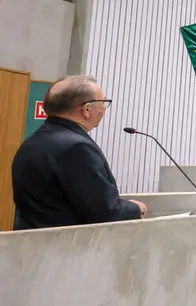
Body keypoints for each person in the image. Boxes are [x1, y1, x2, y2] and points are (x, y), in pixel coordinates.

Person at [11, 75, 145, 230]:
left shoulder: (32, 142)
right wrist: (135, 208)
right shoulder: (77, 148)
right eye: (104, 103)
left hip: (32, 244)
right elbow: (104, 213)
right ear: (87, 110)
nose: (104, 109)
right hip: (66, 248)